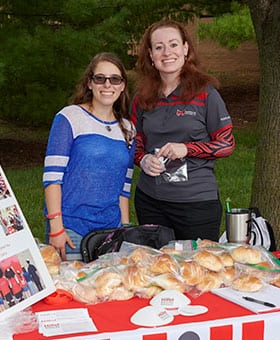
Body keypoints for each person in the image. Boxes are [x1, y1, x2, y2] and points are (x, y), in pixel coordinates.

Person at [131, 19, 235, 241]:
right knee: (158, 269)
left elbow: (227, 144)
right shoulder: (141, 97)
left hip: (196, 203)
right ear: (150, 54)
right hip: (150, 201)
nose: (167, 52)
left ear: (186, 49)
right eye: (159, 47)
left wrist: (187, 149)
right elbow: (134, 141)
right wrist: (143, 160)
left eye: (173, 44)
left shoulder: (206, 94)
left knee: (198, 270)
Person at [42, 52, 136, 260]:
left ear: (122, 86)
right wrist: (56, 227)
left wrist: (126, 230)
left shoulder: (128, 129)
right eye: (100, 78)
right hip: (71, 228)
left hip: (111, 230)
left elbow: (124, 187)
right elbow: (52, 178)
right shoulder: (69, 117)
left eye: (115, 79)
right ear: (90, 83)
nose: (107, 85)